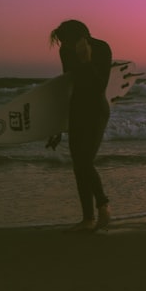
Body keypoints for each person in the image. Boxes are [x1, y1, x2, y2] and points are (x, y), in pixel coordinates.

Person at [49, 20, 113, 232]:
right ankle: (88, 218)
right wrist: (58, 126)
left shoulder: (102, 48)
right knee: (79, 165)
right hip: (76, 109)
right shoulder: (66, 52)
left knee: (85, 161)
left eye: (66, 41)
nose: (63, 45)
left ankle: (103, 206)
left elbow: (98, 85)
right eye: (62, 43)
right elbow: (69, 85)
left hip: (96, 109)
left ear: (81, 36)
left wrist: (86, 60)